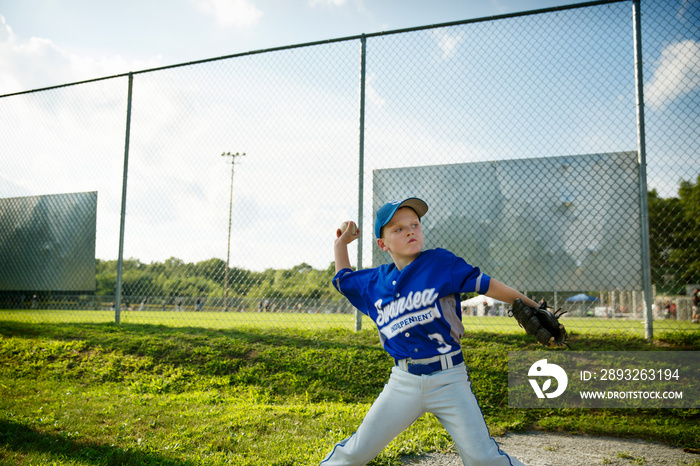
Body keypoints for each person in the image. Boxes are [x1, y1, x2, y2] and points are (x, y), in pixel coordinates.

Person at [321, 197, 536, 466]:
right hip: (403, 381)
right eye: (398, 229)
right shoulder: (374, 283)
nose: (410, 230)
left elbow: (487, 285)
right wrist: (340, 244)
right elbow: (343, 280)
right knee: (355, 452)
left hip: (450, 378)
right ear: (382, 244)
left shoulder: (440, 263)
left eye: (415, 224)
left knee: (483, 459)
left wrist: (533, 306)